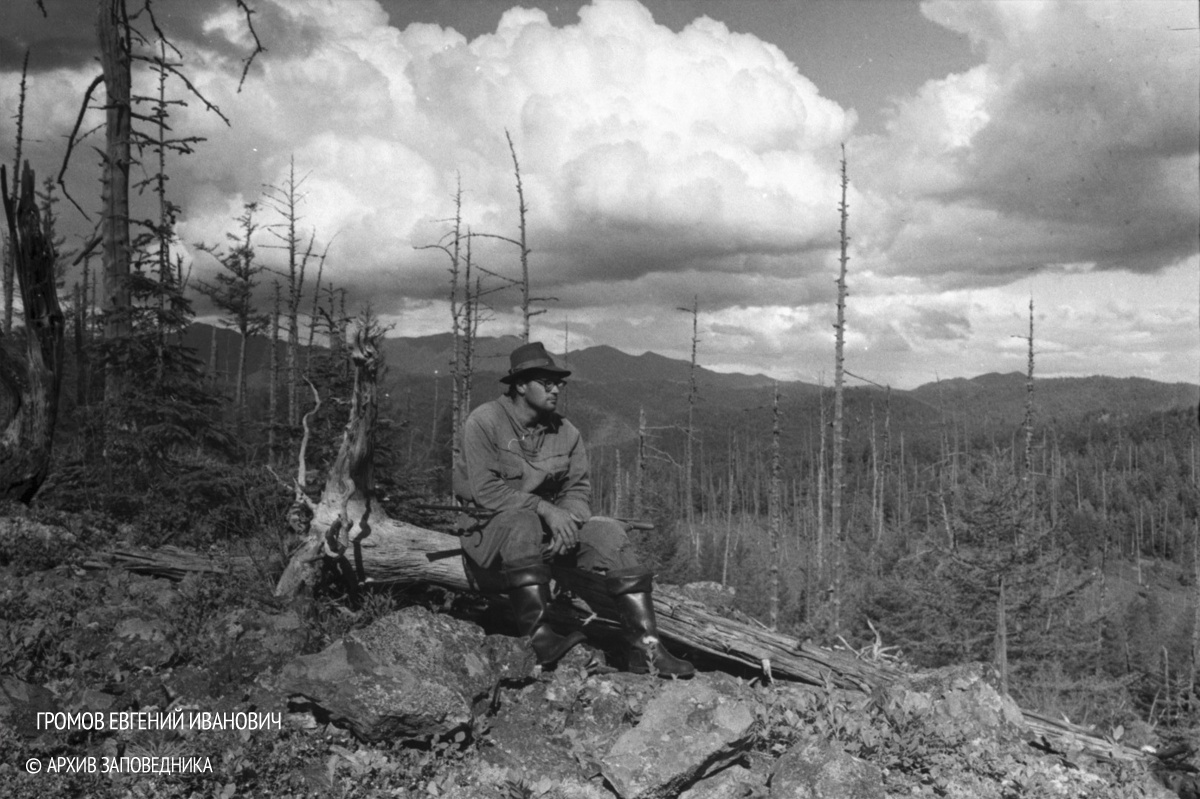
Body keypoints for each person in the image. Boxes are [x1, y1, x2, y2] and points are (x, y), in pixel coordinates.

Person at [454, 341, 694, 677]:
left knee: (609, 533)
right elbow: (486, 492)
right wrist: (546, 511)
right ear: (521, 386)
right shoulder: (485, 422)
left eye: (559, 383)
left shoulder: (566, 432)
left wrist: (566, 518)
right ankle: (538, 638)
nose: (556, 389)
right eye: (547, 383)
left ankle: (646, 651)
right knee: (522, 520)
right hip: (489, 532)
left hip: (546, 534)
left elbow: (577, 491)